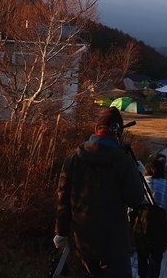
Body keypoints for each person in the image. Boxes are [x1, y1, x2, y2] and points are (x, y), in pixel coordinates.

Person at [53, 107, 145, 277]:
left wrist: (61, 232)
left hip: (83, 242)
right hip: (115, 245)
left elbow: (63, 197)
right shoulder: (123, 162)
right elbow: (136, 199)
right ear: (117, 131)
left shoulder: (74, 157)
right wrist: (139, 175)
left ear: (96, 129)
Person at [133, 158, 167, 278]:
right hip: (159, 226)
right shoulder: (166, 184)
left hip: (142, 224)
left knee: (142, 254)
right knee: (156, 256)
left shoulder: (142, 182)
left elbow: (132, 205)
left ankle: (142, 275)